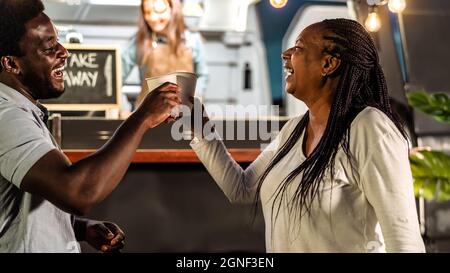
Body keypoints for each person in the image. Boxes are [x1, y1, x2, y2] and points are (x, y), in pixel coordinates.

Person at [188, 18, 425, 252]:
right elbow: (241, 189)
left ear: (328, 64)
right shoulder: (292, 131)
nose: (286, 54)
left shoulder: (369, 128)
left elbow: (404, 241)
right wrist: (196, 122)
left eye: (299, 48)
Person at [0, 0, 180, 252]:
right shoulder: (6, 115)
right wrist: (142, 118)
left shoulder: (21, 110)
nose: (64, 52)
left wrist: (79, 227)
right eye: (50, 47)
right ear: (11, 64)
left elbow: (16, 208)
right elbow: (78, 192)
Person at [121, 0, 208, 111]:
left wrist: (195, 99)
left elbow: (203, 76)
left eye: (158, 10)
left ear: (173, 7)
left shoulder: (192, 40)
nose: (152, 17)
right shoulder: (139, 42)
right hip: (148, 117)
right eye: (147, 12)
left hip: (184, 117)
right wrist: (124, 110)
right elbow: (114, 78)